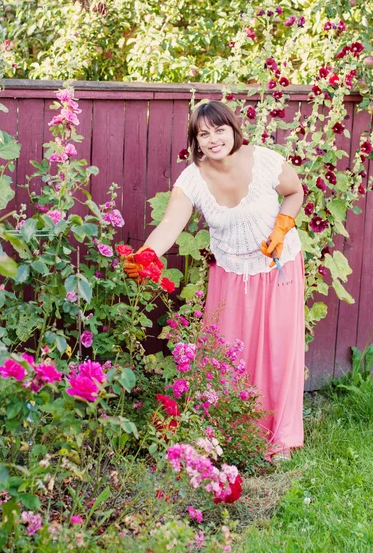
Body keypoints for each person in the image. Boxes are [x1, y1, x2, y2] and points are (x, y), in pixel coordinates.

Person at [124, 100, 305, 464]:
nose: (213, 139)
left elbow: (295, 191)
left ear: (233, 130)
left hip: (277, 266)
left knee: (278, 349)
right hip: (230, 273)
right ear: (196, 141)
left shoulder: (265, 160)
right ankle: (231, 430)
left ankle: (281, 439)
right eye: (203, 134)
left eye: (219, 129)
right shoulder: (193, 177)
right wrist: (146, 255)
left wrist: (282, 227)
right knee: (227, 352)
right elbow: (170, 224)